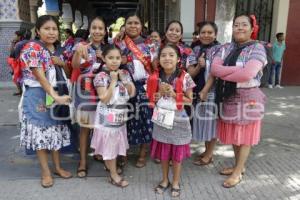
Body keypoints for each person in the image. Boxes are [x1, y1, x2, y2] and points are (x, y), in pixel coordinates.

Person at [211, 14, 267, 188]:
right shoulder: (226, 47)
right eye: (236, 25)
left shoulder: (257, 48)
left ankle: (238, 172)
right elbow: (214, 69)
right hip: (229, 96)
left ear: (252, 28)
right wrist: (239, 69)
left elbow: (247, 74)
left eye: (244, 25)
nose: (240, 28)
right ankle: (238, 167)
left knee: (245, 138)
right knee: (236, 135)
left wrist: (226, 71)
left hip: (248, 97)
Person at [19, 15, 72, 188]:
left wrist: (62, 64)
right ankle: (45, 172)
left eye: (54, 29)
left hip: (55, 94)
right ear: (37, 30)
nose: (51, 32)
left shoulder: (57, 50)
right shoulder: (32, 47)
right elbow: (39, 76)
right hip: (38, 96)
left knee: (55, 131)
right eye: (47, 28)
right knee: (41, 136)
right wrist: (55, 96)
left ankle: (57, 167)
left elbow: (68, 73)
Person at [147, 44, 195, 197]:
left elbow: (189, 100)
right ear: (159, 59)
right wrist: (159, 93)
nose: (167, 58)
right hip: (161, 119)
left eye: (171, 55)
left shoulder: (185, 77)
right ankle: (164, 180)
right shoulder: (154, 77)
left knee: (177, 154)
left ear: (178, 59)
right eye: (163, 55)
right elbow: (151, 99)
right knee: (164, 153)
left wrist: (174, 93)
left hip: (178, 119)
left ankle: (175, 181)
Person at [115, 13, 156, 168]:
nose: (133, 26)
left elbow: (155, 66)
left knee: (145, 120)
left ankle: (142, 154)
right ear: (125, 25)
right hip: (123, 87)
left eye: (136, 23)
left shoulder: (150, 44)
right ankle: (123, 153)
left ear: (141, 26)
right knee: (124, 119)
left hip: (145, 87)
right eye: (130, 23)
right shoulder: (118, 43)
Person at [91, 44, 135, 188]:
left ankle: (111, 166)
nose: (114, 61)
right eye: (110, 58)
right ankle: (113, 175)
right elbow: (104, 98)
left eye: (117, 58)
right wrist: (114, 81)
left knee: (115, 142)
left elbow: (132, 92)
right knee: (109, 143)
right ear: (104, 58)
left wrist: (124, 80)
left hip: (120, 114)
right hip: (107, 114)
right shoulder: (100, 76)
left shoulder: (124, 73)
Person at [72, 16, 107, 178]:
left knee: (103, 127)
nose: (97, 31)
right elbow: (75, 66)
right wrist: (78, 53)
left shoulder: (110, 48)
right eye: (94, 28)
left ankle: (102, 155)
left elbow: (118, 66)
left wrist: (104, 57)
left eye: (101, 28)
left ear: (105, 31)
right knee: (85, 129)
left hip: (104, 93)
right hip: (86, 94)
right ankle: (83, 162)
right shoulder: (81, 47)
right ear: (90, 30)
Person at [189, 21, 221, 166]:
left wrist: (205, 90)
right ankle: (206, 151)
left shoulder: (220, 49)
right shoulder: (194, 48)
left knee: (211, 123)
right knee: (203, 121)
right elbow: (190, 72)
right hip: (197, 90)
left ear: (215, 34)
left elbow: (216, 73)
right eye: (203, 32)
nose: (206, 35)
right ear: (199, 34)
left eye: (210, 32)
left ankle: (209, 155)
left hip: (211, 91)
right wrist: (199, 65)